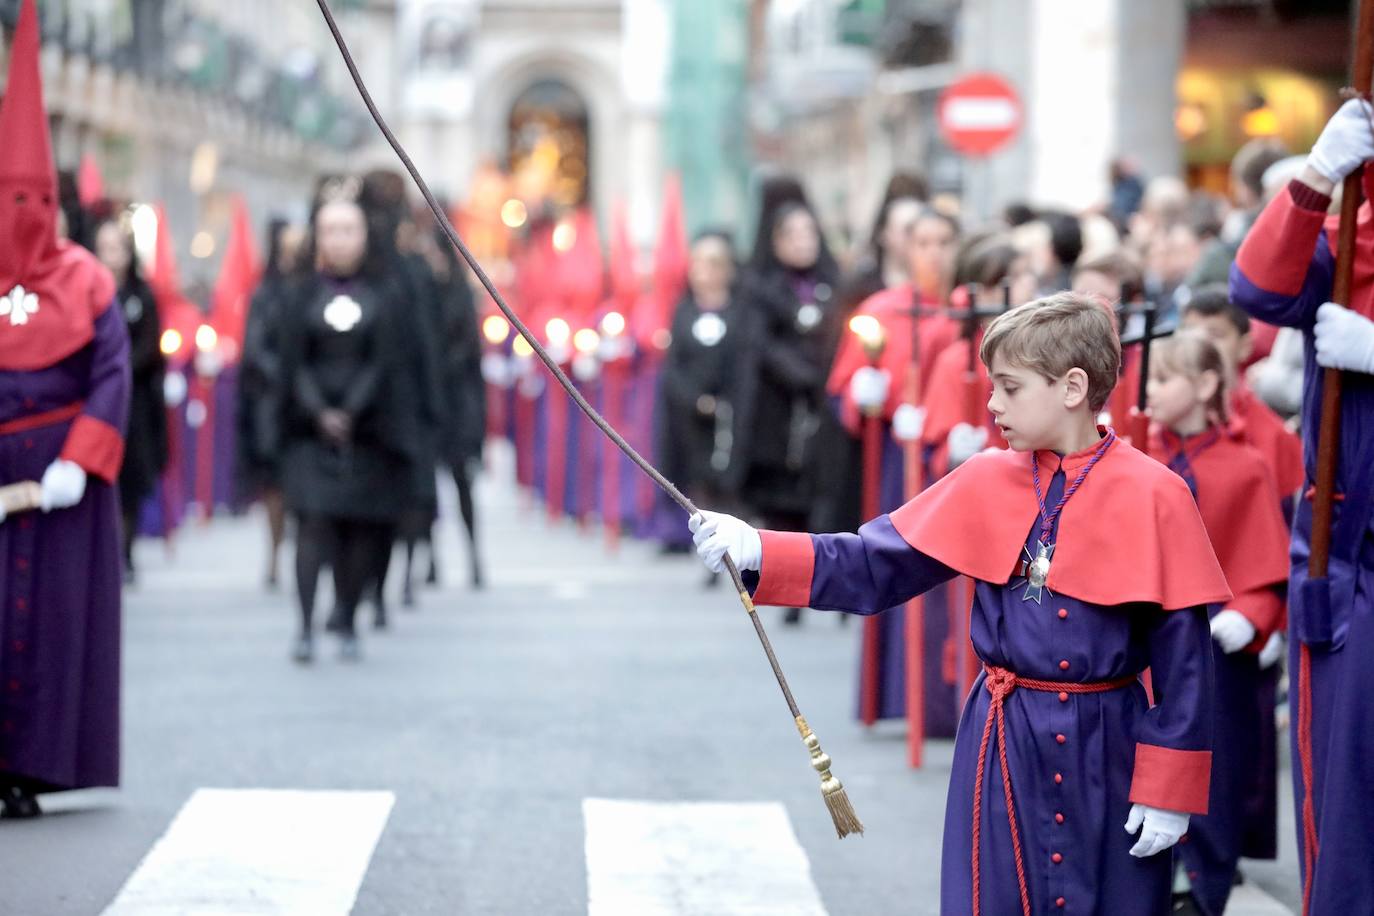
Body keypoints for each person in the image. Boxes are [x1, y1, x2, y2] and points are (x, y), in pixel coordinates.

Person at [693, 292, 1226, 915]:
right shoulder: (985, 478)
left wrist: (1169, 788)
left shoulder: (1156, 494)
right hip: (1005, 740)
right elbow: (874, 565)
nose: (991, 402)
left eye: (1010, 387)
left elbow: (1186, 659)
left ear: (1073, 387)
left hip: (1110, 744)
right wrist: (759, 547)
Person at [1229, 96, 1374, 914]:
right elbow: (1255, 285)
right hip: (1357, 559)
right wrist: (1318, 176)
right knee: (1348, 811)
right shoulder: (1354, 218)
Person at [0, 0, 129, 818]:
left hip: (59, 479)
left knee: (53, 624)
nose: (24, 218)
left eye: (34, 200)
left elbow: (112, 371)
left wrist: (79, 462)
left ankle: (40, 763)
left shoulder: (86, 278)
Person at [1143, 333, 1290, 916]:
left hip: (1214, 643)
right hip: (1148, 640)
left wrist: (1247, 616)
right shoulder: (1137, 456)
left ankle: (1204, 884)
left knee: (1217, 761)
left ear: (1205, 386)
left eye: (1163, 379)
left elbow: (1265, 562)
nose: (1149, 391)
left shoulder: (1245, 465)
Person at [278, 187, 410, 663]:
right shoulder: (299, 294)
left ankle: (349, 616)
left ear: (364, 236)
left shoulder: (386, 294)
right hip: (309, 432)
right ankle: (305, 626)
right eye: (329, 230)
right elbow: (291, 362)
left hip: (369, 430)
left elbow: (386, 360)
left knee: (358, 531)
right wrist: (319, 412)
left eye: (347, 230)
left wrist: (352, 410)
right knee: (313, 527)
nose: (338, 240)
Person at [733, 199, 841, 624]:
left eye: (809, 234)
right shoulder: (761, 287)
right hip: (778, 410)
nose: (803, 243)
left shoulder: (831, 282)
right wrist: (801, 374)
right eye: (792, 235)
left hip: (821, 406)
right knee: (782, 505)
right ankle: (786, 586)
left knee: (822, 498)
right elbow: (760, 345)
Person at [1179, 285, 1303, 507]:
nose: (1199, 343)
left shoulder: (1274, 437)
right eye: (1189, 333)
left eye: (1215, 334)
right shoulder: (1161, 420)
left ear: (1244, 346)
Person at [93, 217, 167, 584]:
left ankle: (127, 550)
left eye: (117, 249)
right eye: (104, 249)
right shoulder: (88, 291)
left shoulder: (142, 295)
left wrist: (121, 366)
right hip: (96, 396)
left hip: (135, 398)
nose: (111, 257)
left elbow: (151, 346)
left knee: (134, 477)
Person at [417, 218, 487, 591]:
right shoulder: (421, 294)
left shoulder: (459, 294)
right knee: (427, 490)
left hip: (457, 403)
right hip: (431, 403)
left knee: (462, 484)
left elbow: (468, 352)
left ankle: (475, 556)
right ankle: (430, 559)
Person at [237, 218, 305, 589]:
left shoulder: (312, 289)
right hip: (274, 403)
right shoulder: (266, 293)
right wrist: (285, 377)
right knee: (275, 486)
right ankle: (276, 554)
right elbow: (256, 348)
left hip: (307, 404)